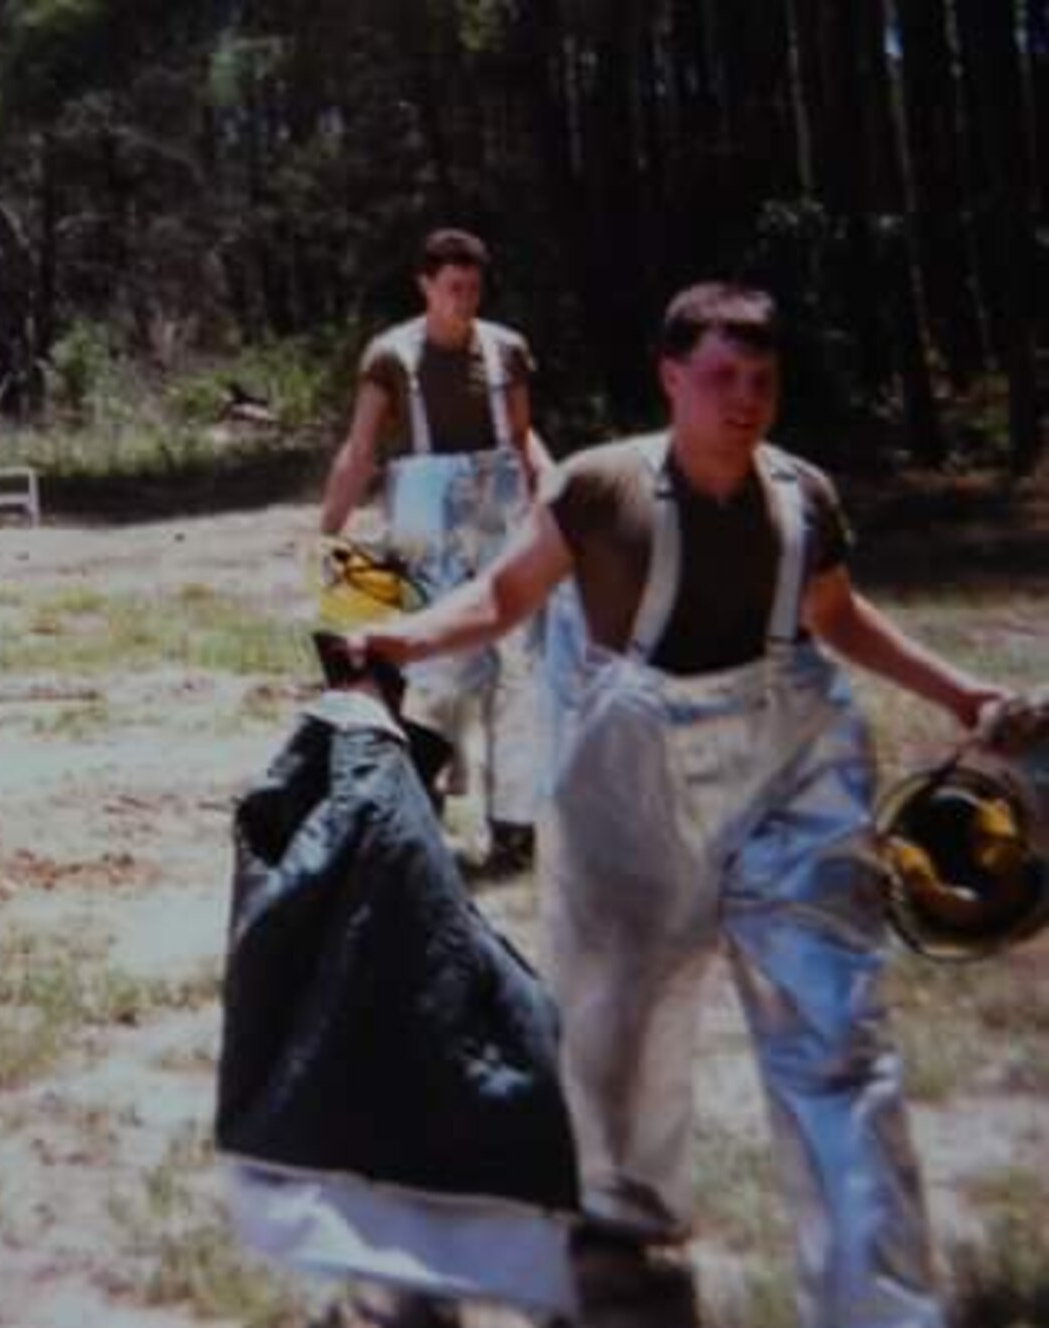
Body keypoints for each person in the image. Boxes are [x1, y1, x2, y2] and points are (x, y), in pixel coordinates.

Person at [346, 282, 1008, 1328]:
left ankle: (878, 1303)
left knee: (839, 1045)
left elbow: (835, 615)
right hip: (633, 796)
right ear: (669, 378)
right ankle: (616, 1241)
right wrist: (394, 638)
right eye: (719, 377)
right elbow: (501, 597)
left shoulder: (801, 498)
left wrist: (957, 692)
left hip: (791, 792)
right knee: (612, 1023)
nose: (743, 398)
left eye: (760, 378)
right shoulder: (598, 488)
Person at [320, 227, 553, 872]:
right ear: (425, 285)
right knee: (435, 666)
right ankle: (420, 810)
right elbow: (361, 448)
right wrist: (328, 532)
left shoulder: (506, 350)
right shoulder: (391, 355)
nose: (463, 300)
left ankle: (515, 824)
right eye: (452, 288)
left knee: (525, 667)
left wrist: (559, 500)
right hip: (427, 515)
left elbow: (526, 438)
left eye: (473, 288)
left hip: (503, 515)